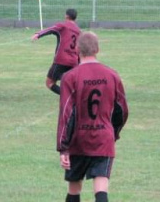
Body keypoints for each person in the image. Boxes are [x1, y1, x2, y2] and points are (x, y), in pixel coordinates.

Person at [57, 32, 129, 202]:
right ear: (98, 49)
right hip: (103, 138)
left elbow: (66, 114)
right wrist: (113, 132)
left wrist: (63, 147)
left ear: (76, 50)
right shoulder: (112, 75)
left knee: (74, 188)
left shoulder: (69, 77)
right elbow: (123, 110)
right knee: (101, 188)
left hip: (78, 140)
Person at [31, 8, 81, 95]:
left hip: (61, 60)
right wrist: (79, 62)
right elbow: (79, 49)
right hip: (74, 61)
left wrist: (38, 34)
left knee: (50, 83)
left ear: (66, 16)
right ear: (75, 18)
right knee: (69, 81)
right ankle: (73, 93)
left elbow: (51, 29)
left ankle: (70, 97)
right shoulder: (79, 31)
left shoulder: (63, 26)